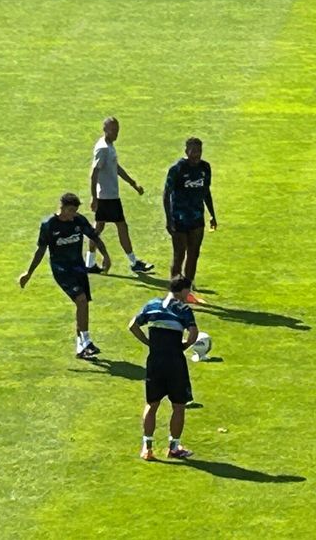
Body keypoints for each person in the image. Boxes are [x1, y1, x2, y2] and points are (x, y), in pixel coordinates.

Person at [19, 193, 112, 359]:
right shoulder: (49, 225)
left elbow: (94, 237)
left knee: (83, 304)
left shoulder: (78, 221)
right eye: (70, 210)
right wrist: (29, 272)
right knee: (81, 299)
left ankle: (80, 348)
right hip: (61, 269)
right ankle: (87, 341)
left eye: (75, 211)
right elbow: (41, 250)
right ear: (61, 208)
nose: (73, 214)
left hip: (78, 267)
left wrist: (105, 255)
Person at [130, 275, 199, 460]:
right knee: (178, 405)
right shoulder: (183, 309)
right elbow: (194, 333)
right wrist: (183, 346)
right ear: (182, 290)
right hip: (175, 362)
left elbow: (133, 325)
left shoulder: (152, 304)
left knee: (152, 404)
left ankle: (147, 447)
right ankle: (174, 447)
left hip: (155, 361)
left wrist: (148, 342)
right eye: (188, 290)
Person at [86, 116, 154, 275]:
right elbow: (94, 173)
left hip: (110, 196)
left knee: (98, 228)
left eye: (117, 130)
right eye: (113, 130)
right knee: (121, 227)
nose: (116, 133)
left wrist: (132, 183)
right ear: (105, 130)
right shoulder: (102, 148)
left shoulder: (109, 146)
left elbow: (115, 167)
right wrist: (94, 198)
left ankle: (89, 263)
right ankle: (133, 262)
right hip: (106, 197)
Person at [163, 137, 216, 295]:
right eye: (192, 151)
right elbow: (166, 195)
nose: (196, 154)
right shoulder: (177, 169)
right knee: (179, 254)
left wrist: (212, 214)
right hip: (179, 219)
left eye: (198, 151)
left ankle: (187, 289)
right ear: (186, 151)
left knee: (194, 254)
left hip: (197, 218)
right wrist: (168, 219)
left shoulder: (205, 168)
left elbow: (206, 192)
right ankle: (173, 292)